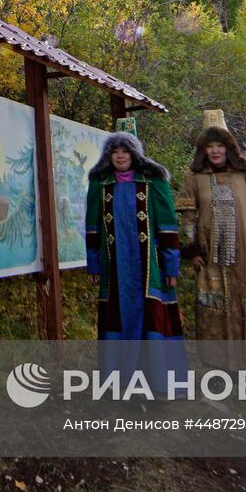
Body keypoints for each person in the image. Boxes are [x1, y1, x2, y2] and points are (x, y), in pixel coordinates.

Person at [176, 109, 246, 340]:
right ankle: (218, 361)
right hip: (210, 252)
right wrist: (193, 248)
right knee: (215, 300)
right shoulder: (194, 175)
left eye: (220, 145)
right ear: (203, 149)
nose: (216, 150)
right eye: (210, 146)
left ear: (228, 147)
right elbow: (188, 214)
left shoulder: (244, 171)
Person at [85, 131, 184, 346]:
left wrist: (171, 267)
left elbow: (167, 225)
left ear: (134, 154)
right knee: (116, 311)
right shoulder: (100, 185)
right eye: (115, 152)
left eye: (125, 151)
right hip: (114, 267)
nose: (120, 156)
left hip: (150, 267)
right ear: (108, 156)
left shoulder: (153, 183)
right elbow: (92, 228)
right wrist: (93, 265)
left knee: (151, 312)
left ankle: (154, 369)